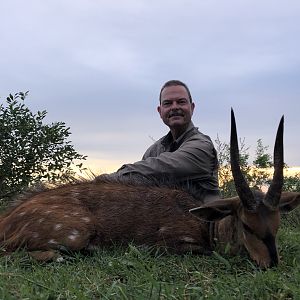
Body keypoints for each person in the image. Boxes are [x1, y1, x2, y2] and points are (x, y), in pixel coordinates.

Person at [100, 80, 219, 203]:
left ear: (192, 107)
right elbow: (135, 184)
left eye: (181, 102)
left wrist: (104, 180)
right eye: (167, 103)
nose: (175, 107)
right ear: (160, 111)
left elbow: (161, 168)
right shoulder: (154, 150)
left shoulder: (202, 147)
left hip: (206, 220)